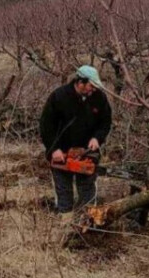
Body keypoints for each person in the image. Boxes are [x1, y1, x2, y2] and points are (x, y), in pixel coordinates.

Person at [39, 65, 113, 214]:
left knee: (87, 190)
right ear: (80, 82)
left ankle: (87, 221)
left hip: (87, 152)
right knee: (64, 191)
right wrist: (54, 149)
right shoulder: (59, 97)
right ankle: (64, 221)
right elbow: (46, 125)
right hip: (62, 152)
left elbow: (105, 122)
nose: (93, 90)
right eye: (91, 86)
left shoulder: (99, 98)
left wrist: (97, 138)